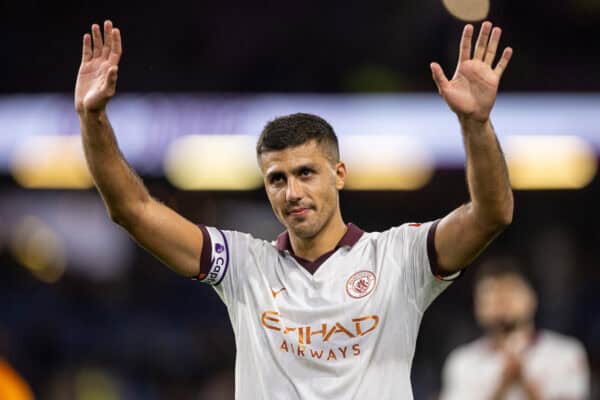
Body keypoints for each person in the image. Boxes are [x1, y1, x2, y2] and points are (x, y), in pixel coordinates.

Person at [75, 20, 514, 399]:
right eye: (277, 179)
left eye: (306, 173)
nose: (291, 193)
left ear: (339, 174)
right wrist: (92, 118)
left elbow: (491, 214)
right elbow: (132, 209)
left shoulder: (400, 256)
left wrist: (475, 125)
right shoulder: (244, 266)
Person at [440, 258, 590, 400]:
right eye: (490, 294)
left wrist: (524, 383)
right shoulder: (462, 363)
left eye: (509, 291)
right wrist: (500, 388)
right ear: (477, 307)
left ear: (532, 298)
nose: (501, 301)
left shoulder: (564, 353)